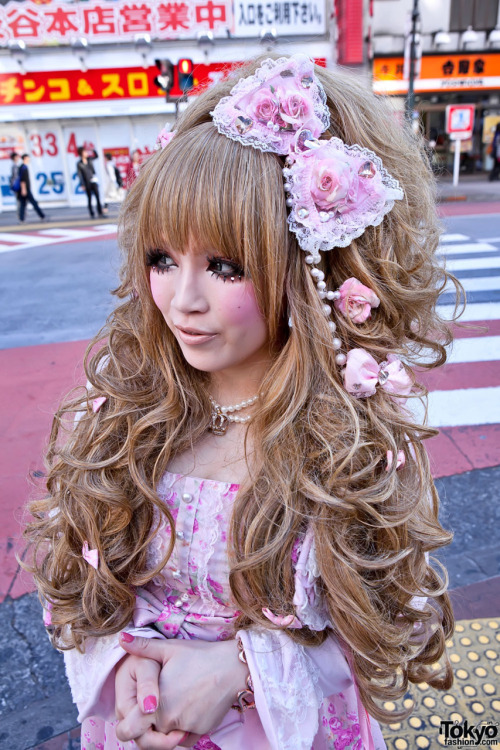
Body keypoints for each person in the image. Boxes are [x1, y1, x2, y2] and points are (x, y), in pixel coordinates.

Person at [25, 54, 459, 750]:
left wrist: (242, 671)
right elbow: (76, 595)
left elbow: (389, 626)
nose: (182, 301)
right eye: (163, 259)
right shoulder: (122, 418)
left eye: (224, 266)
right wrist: (125, 677)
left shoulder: (351, 438)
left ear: (304, 268)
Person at [77, 146, 103, 218]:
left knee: (97, 196)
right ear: (81, 153)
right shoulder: (79, 163)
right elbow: (79, 174)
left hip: (93, 180)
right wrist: (82, 184)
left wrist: (92, 149)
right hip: (87, 182)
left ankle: (100, 212)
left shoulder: (90, 159)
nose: (86, 153)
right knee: (89, 198)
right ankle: (91, 213)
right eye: (84, 152)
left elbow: (96, 156)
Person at [18, 154, 46, 223]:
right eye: (28, 158)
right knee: (33, 203)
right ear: (24, 158)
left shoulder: (22, 167)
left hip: (24, 189)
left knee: (23, 204)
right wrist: (24, 189)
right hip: (25, 189)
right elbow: (22, 180)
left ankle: (21, 219)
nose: (29, 159)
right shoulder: (23, 168)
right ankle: (42, 215)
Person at [9, 152, 21, 218]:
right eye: (17, 156)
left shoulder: (15, 165)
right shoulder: (14, 165)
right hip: (17, 185)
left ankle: (20, 212)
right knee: (19, 199)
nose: (18, 158)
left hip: (16, 184)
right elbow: (15, 176)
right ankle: (19, 213)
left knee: (19, 199)